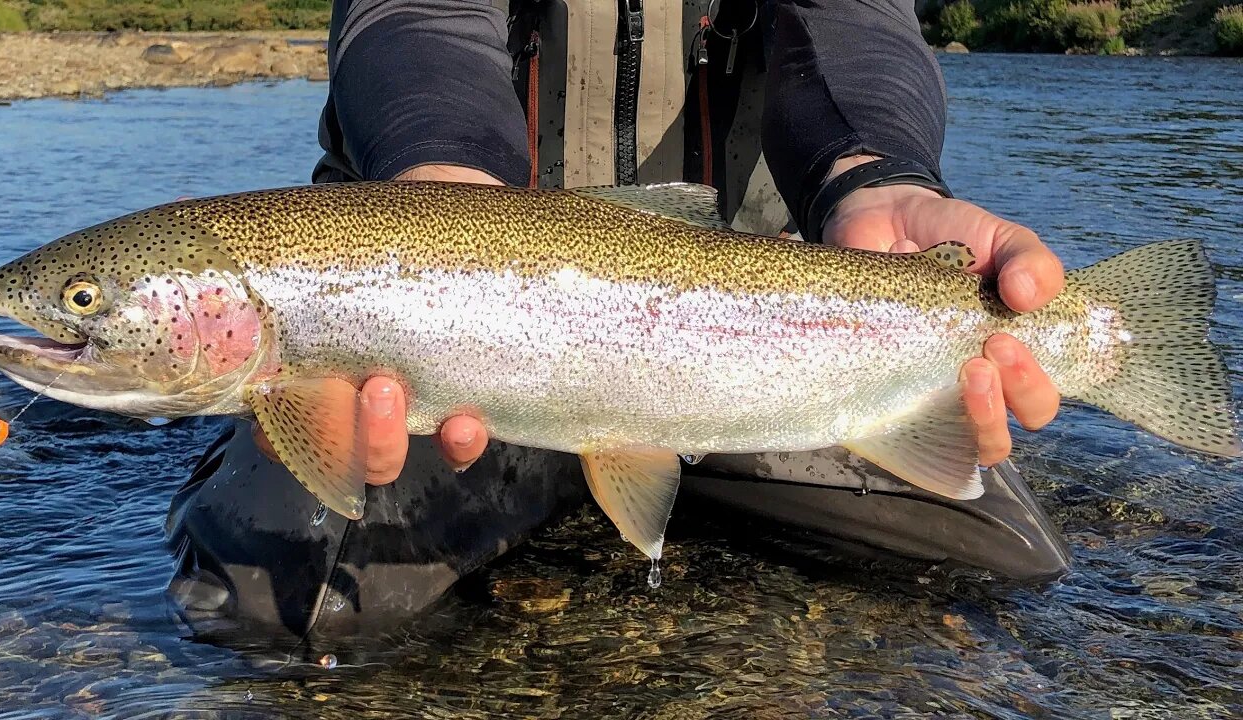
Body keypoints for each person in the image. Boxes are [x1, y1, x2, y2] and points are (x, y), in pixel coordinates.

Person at [166, 0, 1072, 645]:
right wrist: (439, 189)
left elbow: (853, 20)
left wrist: (875, 177)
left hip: (754, 341)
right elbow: (416, 14)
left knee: (1001, 570)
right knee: (266, 604)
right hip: (440, 335)